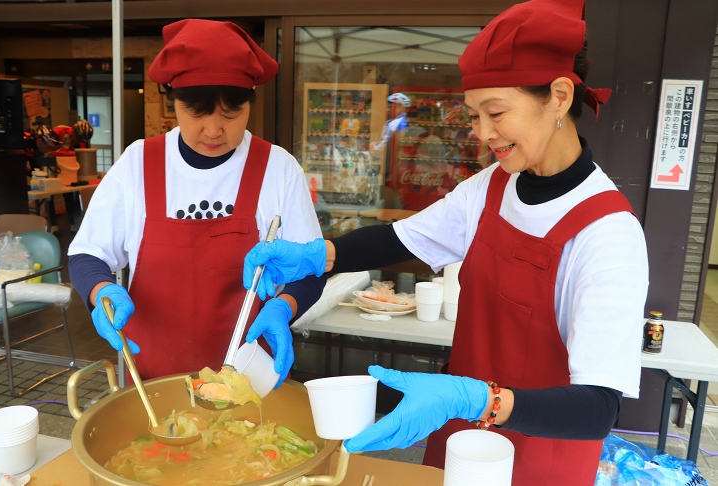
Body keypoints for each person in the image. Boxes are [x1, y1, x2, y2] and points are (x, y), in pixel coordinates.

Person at [242, 0, 648, 484]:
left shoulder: (607, 231)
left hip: (539, 460)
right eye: (474, 115)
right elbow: (400, 239)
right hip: (458, 439)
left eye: (495, 113)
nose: (482, 135)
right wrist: (318, 256)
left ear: (559, 96)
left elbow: (597, 408)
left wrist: (474, 399)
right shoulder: (493, 186)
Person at [68, 19, 324, 386]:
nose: (214, 130)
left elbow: (310, 269)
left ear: (250, 103)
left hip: (250, 377)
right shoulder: (139, 163)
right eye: (197, 112)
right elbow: (87, 254)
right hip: (154, 383)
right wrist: (100, 290)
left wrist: (285, 306)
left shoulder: (278, 169)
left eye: (230, 113)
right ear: (174, 102)